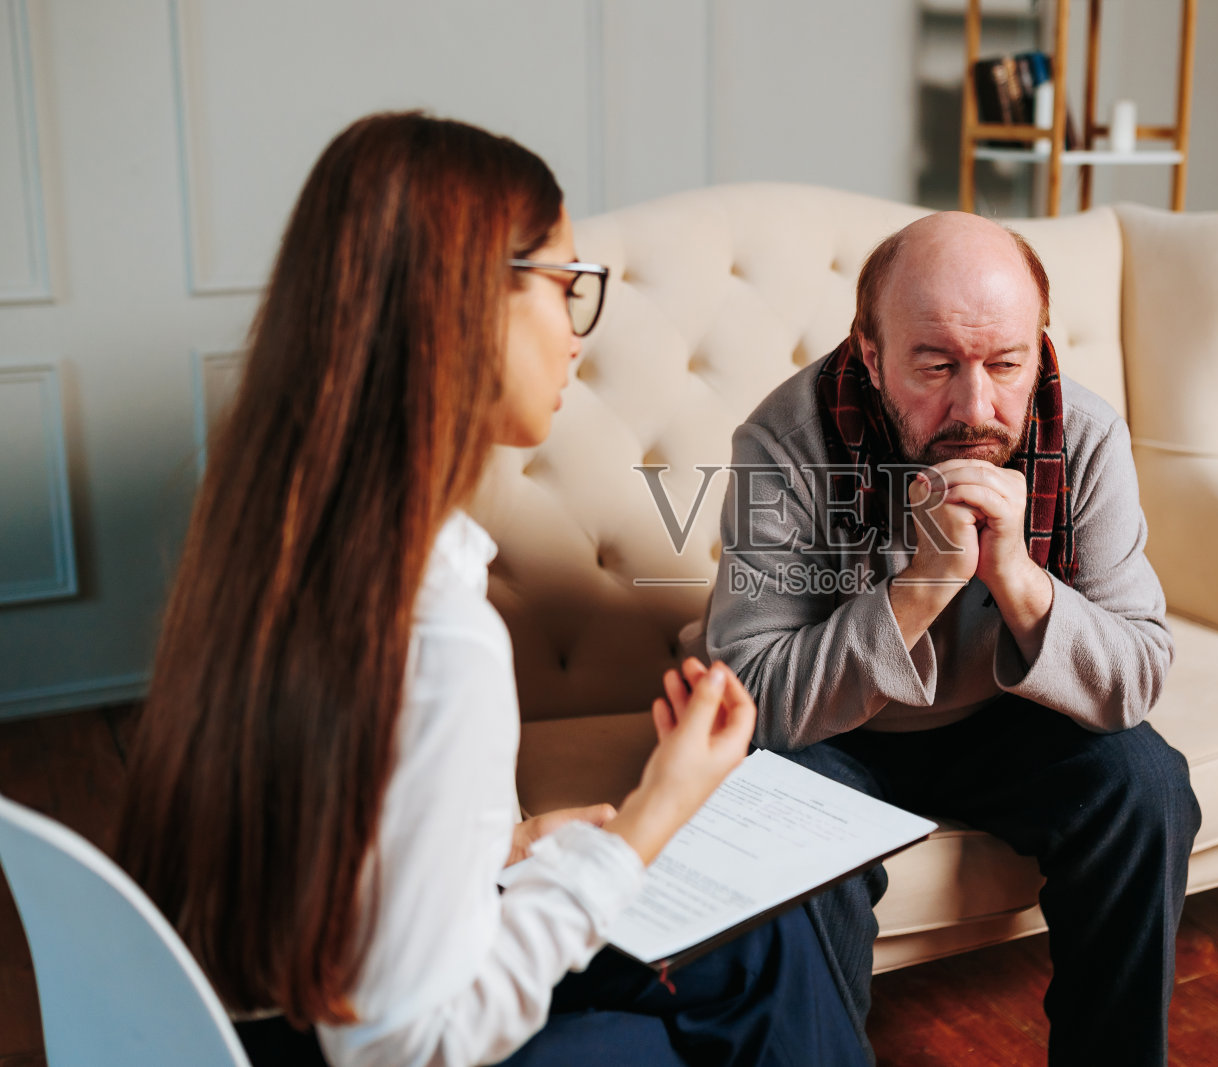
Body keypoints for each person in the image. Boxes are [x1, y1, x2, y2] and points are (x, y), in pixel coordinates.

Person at [114, 112, 865, 1067]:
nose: (578, 335)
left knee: (763, 933)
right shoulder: (437, 636)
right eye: (565, 286)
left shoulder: (276, 547)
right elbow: (407, 1039)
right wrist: (652, 813)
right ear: (462, 305)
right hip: (385, 1043)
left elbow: (329, 844)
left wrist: (501, 850)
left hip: (271, 1013)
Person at [703, 210, 1203, 1065]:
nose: (975, 408)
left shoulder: (1084, 433)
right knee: (781, 812)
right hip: (839, 735)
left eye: (1006, 364)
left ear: (1040, 348)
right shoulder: (782, 441)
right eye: (934, 365)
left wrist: (1019, 581)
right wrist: (922, 587)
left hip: (1010, 717)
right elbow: (755, 699)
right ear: (870, 351)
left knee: (1148, 783)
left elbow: (1138, 673)